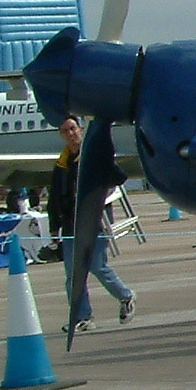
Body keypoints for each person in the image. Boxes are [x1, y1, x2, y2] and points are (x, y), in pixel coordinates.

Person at [49, 116, 135, 334]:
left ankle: (126, 296)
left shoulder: (92, 156)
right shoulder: (61, 164)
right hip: (71, 226)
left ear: (80, 130)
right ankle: (82, 316)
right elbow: (55, 197)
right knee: (73, 275)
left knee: (98, 267)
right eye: (65, 130)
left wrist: (104, 167)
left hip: (94, 222)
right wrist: (54, 225)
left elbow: (120, 177)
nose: (70, 134)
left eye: (72, 128)